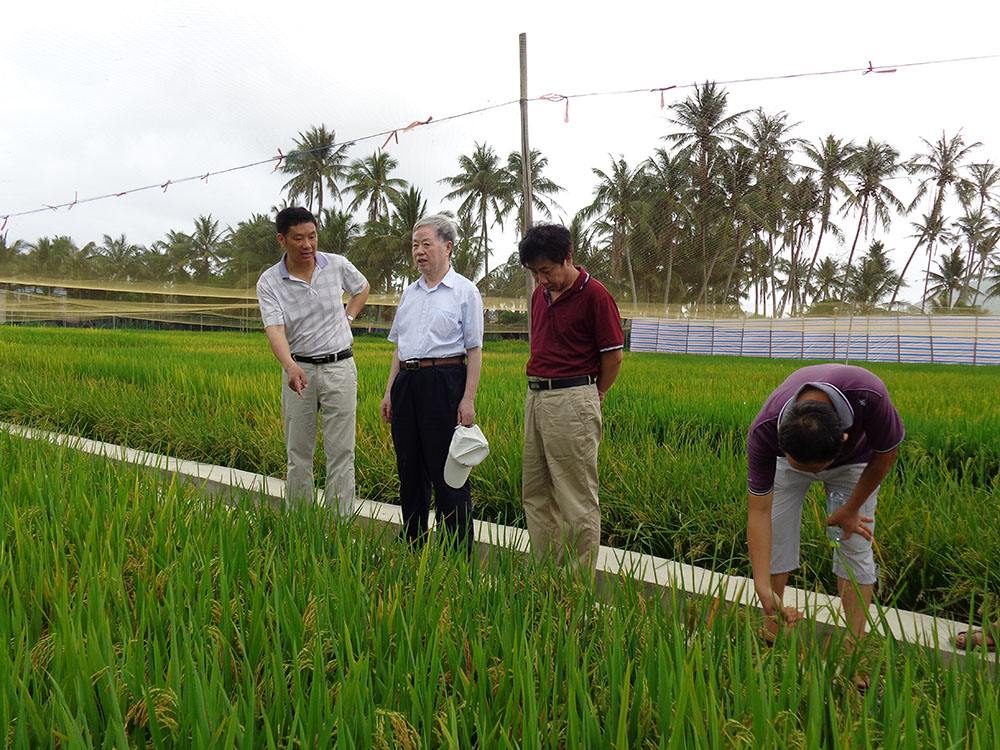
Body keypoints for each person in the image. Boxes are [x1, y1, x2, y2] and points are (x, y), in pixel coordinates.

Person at [746, 364, 904, 652]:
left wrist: (852, 508)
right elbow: (759, 512)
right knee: (777, 534)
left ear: (844, 438)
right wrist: (761, 586)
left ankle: (853, 645)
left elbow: (885, 454)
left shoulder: (870, 395)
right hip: (790, 459)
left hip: (853, 464)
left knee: (855, 542)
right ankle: (772, 624)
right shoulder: (765, 430)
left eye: (817, 470)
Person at [517, 223, 624, 570]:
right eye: (535, 273)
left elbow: (613, 356)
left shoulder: (595, 295)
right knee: (536, 492)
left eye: (546, 271)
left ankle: (575, 586)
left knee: (575, 498)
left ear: (568, 258)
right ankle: (546, 574)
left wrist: (598, 392)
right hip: (536, 396)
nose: (541, 280)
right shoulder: (539, 296)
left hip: (573, 397)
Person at [380, 214, 483, 553]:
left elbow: (473, 350)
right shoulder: (409, 293)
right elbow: (400, 346)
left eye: (426, 244)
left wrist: (467, 399)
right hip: (407, 382)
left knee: (449, 470)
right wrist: (389, 391)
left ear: (448, 247)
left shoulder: (465, 292)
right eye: (414, 246)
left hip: (445, 382)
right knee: (409, 466)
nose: (419, 252)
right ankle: (412, 542)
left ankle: (457, 553)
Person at [256, 206, 370, 514]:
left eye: (312, 236)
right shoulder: (269, 282)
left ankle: (339, 524)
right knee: (298, 453)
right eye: (298, 238)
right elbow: (275, 329)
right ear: (282, 240)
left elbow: (362, 288)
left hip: (340, 368)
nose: (308, 245)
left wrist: (349, 316)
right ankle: (301, 522)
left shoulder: (336, 265)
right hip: (300, 370)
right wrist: (290, 365)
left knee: (342, 452)